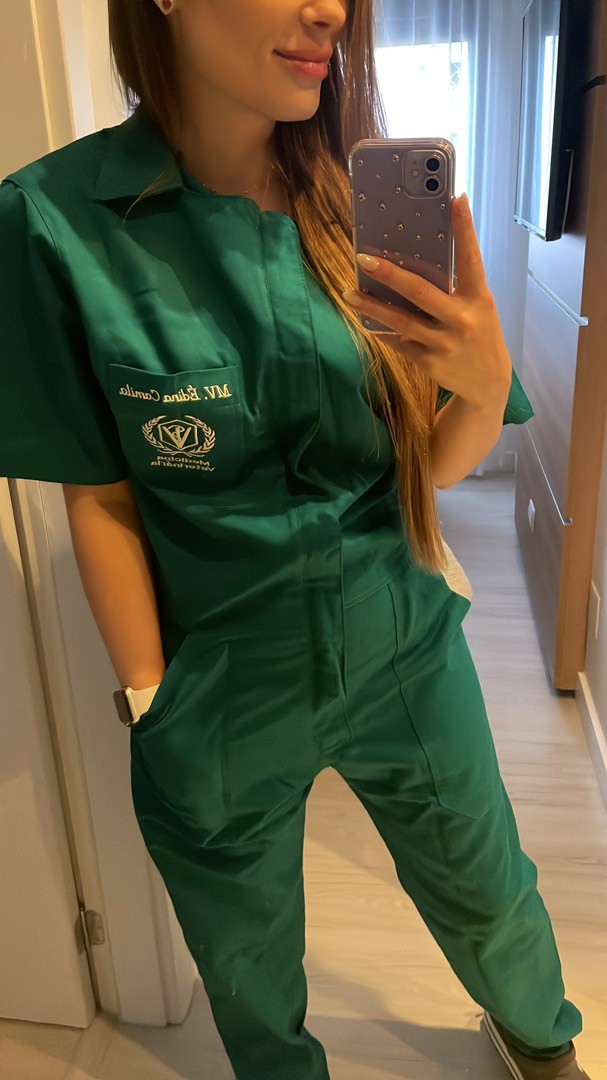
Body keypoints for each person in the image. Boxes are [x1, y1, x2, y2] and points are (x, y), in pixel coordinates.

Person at [0, 1, 591, 1078]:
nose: (331, 10)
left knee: (484, 879)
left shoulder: (371, 206)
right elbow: (99, 494)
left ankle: (539, 1040)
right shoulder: (53, 222)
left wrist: (482, 381)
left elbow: (432, 466)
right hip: (222, 680)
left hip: (402, 638)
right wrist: (149, 699)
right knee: (243, 955)